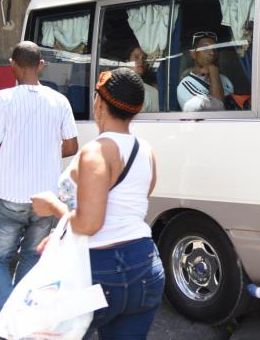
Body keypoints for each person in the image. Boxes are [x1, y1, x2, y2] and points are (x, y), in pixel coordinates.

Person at [31, 68, 164, 339]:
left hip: (97, 268)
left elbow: (90, 224)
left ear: (100, 103)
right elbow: (132, 207)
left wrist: (52, 206)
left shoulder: (96, 151)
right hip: (145, 265)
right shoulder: (146, 150)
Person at [0, 41, 78, 310]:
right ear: (41, 65)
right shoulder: (60, 101)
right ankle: (23, 314)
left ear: (12, 65)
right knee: (32, 257)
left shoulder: (3, 99)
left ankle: (13, 316)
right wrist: (44, 150)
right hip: (46, 198)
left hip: (10, 195)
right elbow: (71, 146)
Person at [176, 31, 234, 111]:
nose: (212, 53)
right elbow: (216, 110)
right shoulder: (186, 84)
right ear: (193, 54)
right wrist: (213, 71)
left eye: (215, 49)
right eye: (205, 48)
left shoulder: (225, 80)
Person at [128, 46, 159, 113]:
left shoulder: (152, 91)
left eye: (144, 58)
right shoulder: (118, 86)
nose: (141, 61)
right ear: (127, 61)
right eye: (136, 57)